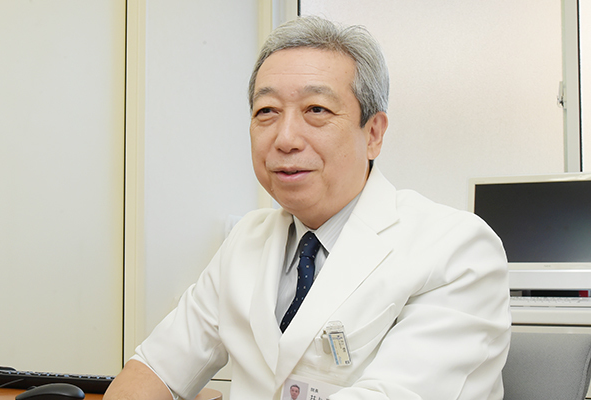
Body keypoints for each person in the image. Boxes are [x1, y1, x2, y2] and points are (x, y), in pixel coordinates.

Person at [104, 16, 511, 400]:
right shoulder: (247, 239)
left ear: (373, 133)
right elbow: (155, 368)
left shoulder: (456, 249)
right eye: (267, 111)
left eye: (316, 110)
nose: (285, 139)